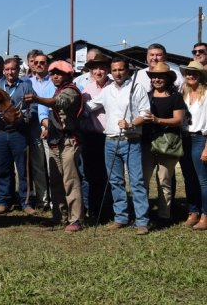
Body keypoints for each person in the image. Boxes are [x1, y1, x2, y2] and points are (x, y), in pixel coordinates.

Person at [85, 57, 151, 235]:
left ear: (127, 70)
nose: (117, 73)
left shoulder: (137, 88)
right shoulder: (107, 90)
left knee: (136, 182)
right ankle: (121, 217)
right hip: (110, 141)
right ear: (110, 72)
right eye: (114, 70)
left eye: (121, 70)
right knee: (115, 181)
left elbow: (146, 113)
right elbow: (90, 106)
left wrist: (130, 124)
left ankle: (142, 221)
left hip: (131, 140)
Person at [24, 60, 84, 232]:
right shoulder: (58, 89)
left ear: (68, 75)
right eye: (53, 73)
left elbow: (59, 103)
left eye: (59, 73)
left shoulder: (71, 91)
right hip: (56, 141)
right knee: (56, 181)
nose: (55, 76)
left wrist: (36, 99)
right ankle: (59, 216)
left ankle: (76, 219)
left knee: (70, 181)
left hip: (69, 141)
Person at [142, 62, 185, 225]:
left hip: (168, 144)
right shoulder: (146, 95)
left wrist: (158, 120)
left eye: (161, 76)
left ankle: (164, 215)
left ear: (168, 79)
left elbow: (178, 120)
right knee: (143, 181)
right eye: (154, 76)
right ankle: (143, 215)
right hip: (146, 143)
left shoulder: (175, 97)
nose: (157, 79)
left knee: (164, 181)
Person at [0, 57, 37, 215]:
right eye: (7, 69)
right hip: (1, 133)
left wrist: (25, 116)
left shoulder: (26, 86)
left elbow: (34, 106)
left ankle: (26, 202)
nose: (10, 72)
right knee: (3, 169)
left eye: (13, 69)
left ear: (18, 69)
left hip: (19, 133)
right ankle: (4, 201)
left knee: (23, 169)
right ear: (3, 71)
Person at [80, 53, 113, 221]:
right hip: (91, 136)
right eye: (95, 68)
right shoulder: (86, 90)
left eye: (102, 68)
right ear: (91, 71)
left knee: (108, 174)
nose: (98, 71)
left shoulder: (114, 87)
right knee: (89, 175)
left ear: (108, 69)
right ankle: (90, 208)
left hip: (108, 137)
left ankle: (107, 209)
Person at [179, 61, 207, 229]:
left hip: (200, 138)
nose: (190, 76)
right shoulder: (183, 94)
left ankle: (205, 214)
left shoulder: (206, 95)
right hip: (185, 138)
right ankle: (193, 211)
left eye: (194, 73)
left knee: (203, 180)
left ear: (200, 76)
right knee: (189, 179)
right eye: (188, 73)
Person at [27, 52, 52, 210]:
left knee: (53, 167)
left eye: (42, 62)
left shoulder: (54, 81)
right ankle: (42, 200)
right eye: (35, 62)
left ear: (47, 64)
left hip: (52, 128)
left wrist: (49, 127)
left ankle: (55, 200)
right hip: (34, 129)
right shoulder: (27, 82)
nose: (39, 65)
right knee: (38, 167)